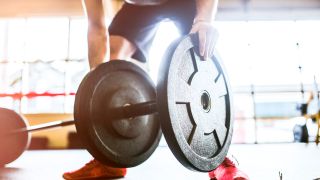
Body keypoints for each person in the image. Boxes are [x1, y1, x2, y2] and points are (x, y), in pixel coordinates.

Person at [63, 0, 248, 179]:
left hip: (184, 2)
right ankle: (109, 161)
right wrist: (97, 85)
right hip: (137, 9)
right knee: (111, 62)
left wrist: (204, 21)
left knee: (201, 50)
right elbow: (96, 27)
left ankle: (221, 162)